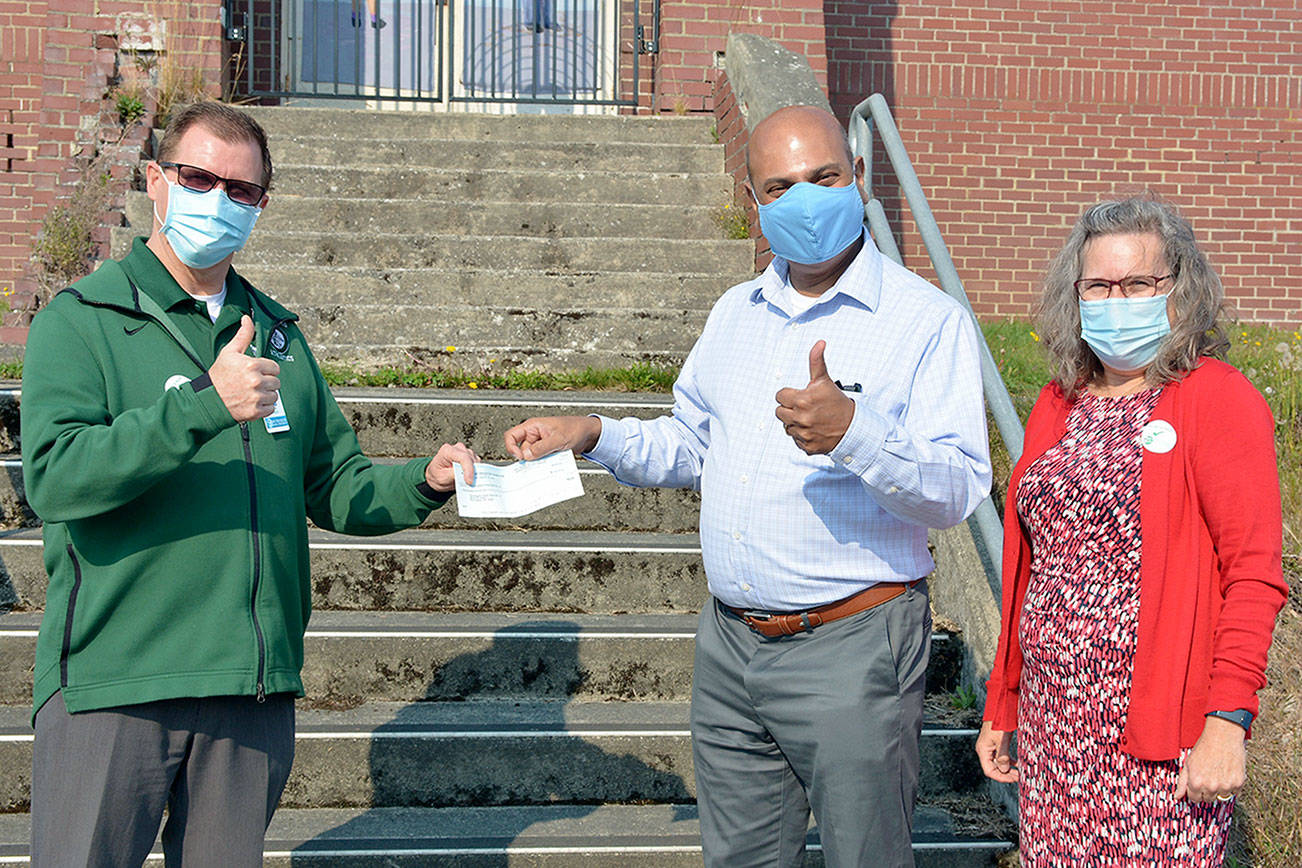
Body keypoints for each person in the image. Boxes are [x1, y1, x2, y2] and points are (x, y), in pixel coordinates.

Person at [503, 104, 991, 867]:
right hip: (731, 646)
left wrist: (855, 433)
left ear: (858, 178)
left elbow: (958, 488)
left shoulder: (927, 322)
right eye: (780, 186)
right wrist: (593, 433)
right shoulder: (737, 313)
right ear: (756, 202)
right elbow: (692, 443)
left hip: (852, 645)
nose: (804, 199)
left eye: (824, 177)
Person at [21, 101, 477, 867]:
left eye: (242, 190)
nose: (220, 201)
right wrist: (202, 405)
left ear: (263, 204)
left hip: (249, 692)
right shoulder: (83, 319)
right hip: (115, 683)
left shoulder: (277, 334)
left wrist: (424, 482)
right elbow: (56, 479)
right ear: (155, 180)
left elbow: (339, 484)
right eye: (199, 178)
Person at [975, 197, 1288, 865]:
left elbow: (1253, 576)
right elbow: (1033, 568)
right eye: (1100, 285)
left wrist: (1228, 722)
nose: (1118, 299)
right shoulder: (1060, 404)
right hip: (1054, 728)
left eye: (1140, 283)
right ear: (1076, 294)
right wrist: (1004, 700)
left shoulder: (1218, 399)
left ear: (1181, 289)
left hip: (1159, 736)